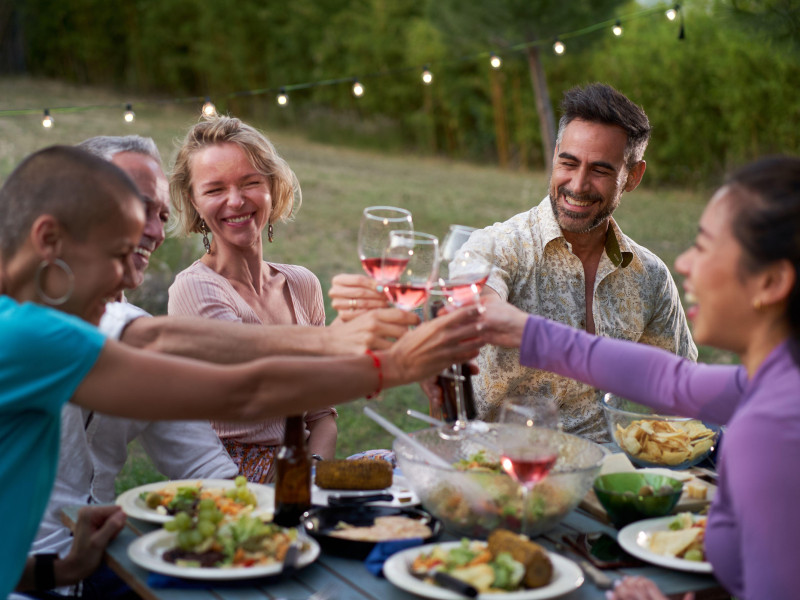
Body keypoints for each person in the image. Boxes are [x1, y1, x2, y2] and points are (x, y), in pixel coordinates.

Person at [1, 145, 483, 598]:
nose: (131, 279)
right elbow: (245, 391)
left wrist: (58, 570)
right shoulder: (32, 335)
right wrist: (395, 364)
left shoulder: (25, 324)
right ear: (48, 239)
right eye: (117, 256)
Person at [478, 156, 800, 599]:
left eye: (703, 246)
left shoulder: (771, 430)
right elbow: (674, 383)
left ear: (770, 282)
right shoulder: (778, 381)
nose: (684, 262)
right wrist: (525, 331)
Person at [168, 116, 337, 482]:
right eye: (215, 190)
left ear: (272, 188)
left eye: (250, 183)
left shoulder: (302, 284)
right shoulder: (195, 289)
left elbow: (322, 415)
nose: (236, 200)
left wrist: (313, 478)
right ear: (194, 202)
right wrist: (349, 346)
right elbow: (263, 384)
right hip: (229, 479)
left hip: (301, 473)